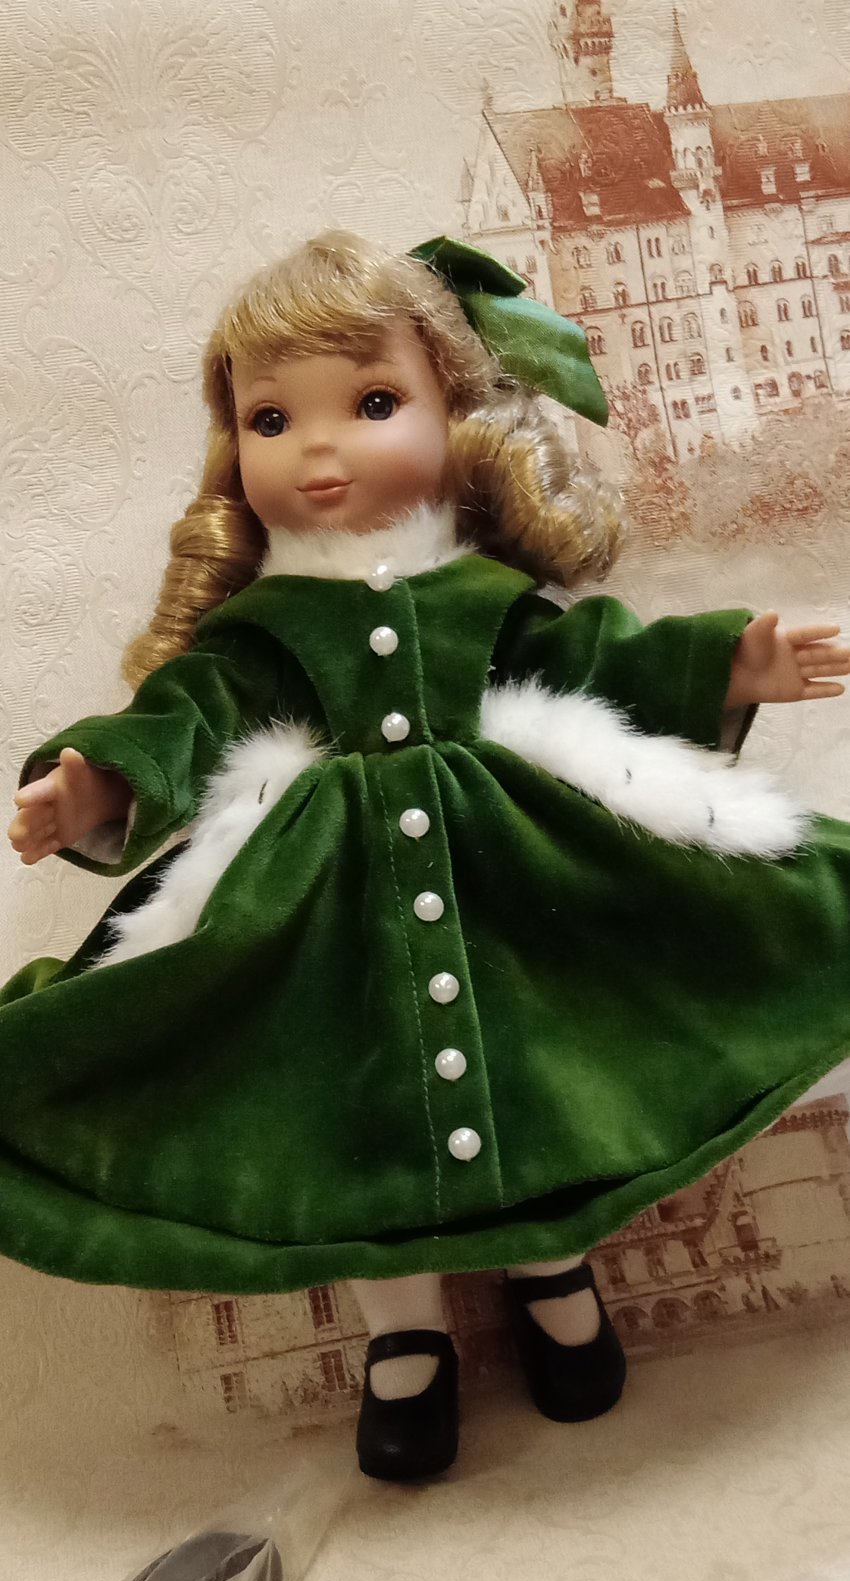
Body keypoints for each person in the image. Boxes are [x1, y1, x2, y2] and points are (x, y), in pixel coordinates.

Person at [5, 231, 850, 1483]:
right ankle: (402, 1335)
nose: (320, 448)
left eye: (372, 403)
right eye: (272, 417)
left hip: (513, 876)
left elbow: (594, 663)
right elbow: (184, 720)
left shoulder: (481, 599)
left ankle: (554, 1272)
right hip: (316, 917)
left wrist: (733, 660)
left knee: (544, 1069)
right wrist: (94, 781)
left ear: (455, 413)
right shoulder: (257, 634)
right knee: (346, 1116)